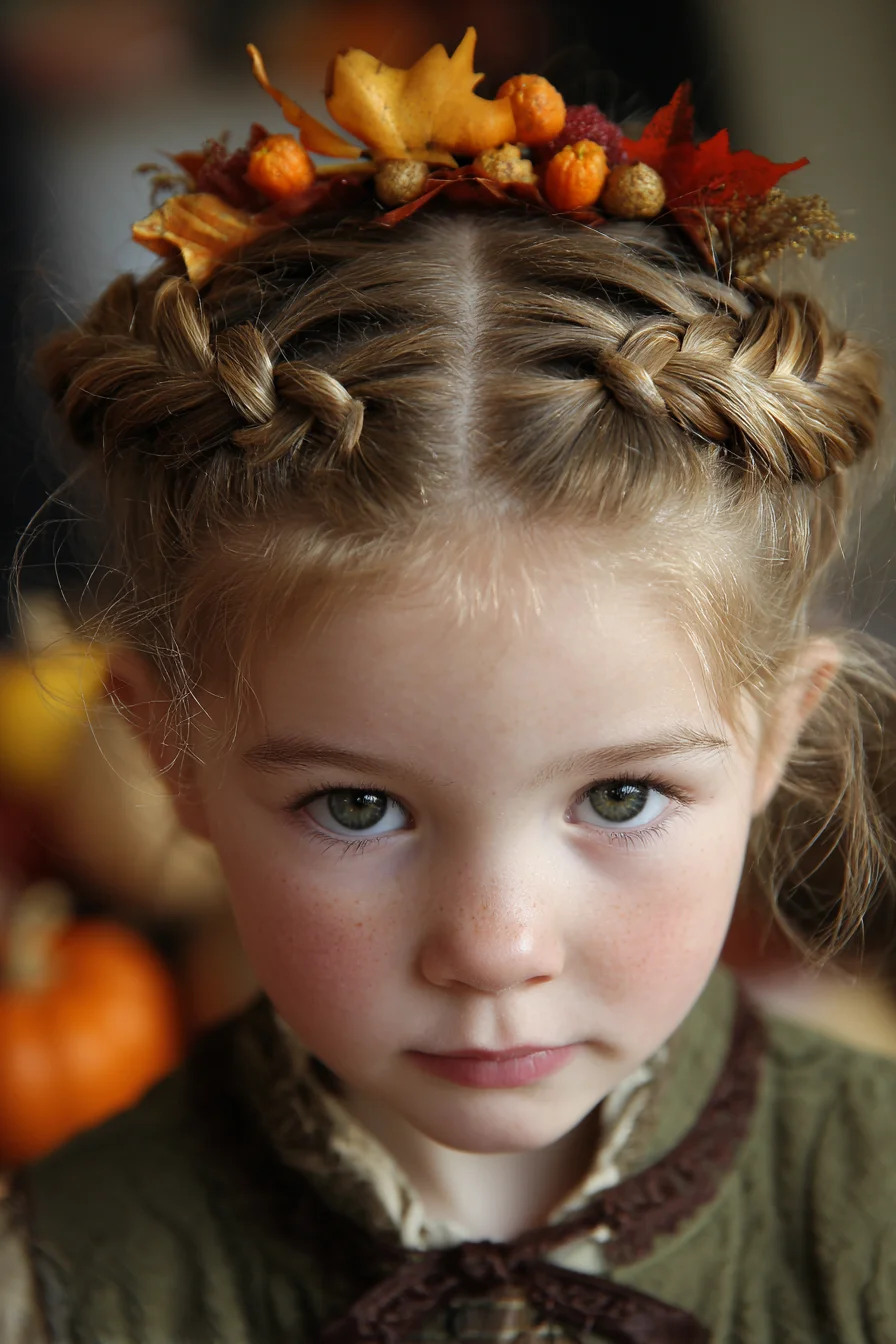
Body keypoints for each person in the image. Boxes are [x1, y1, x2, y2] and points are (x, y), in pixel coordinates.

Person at [1, 31, 895, 1344]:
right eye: (357, 807)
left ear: (775, 738)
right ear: (171, 753)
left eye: (622, 795)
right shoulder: (60, 1286)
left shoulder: (875, 1217)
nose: (493, 946)